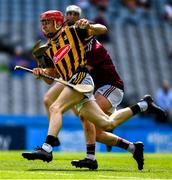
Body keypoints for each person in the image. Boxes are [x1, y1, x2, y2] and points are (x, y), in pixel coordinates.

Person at [21, 10, 166, 172]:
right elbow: (50, 78)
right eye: (43, 23)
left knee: (56, 107)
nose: (44, 26)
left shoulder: (73, 31)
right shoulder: (47, 49)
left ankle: (47, 148)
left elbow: (103, 29)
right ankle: (143, 107)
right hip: (75, 83)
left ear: (57, 22)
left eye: (47, 22)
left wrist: (89, 25)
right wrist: (41, 73)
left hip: (81, 78)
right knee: (106, 123)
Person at [64, 5, 142, 170]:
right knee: (98, 133)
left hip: (111, 86)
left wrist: (90, 26)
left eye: (75, 14)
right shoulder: (69, 39)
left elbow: (103, 28)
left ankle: (90, 158)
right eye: (69, 14)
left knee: (88, 117)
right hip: (98, 89)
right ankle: (133, 148)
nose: (71, 16)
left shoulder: (92, 47)